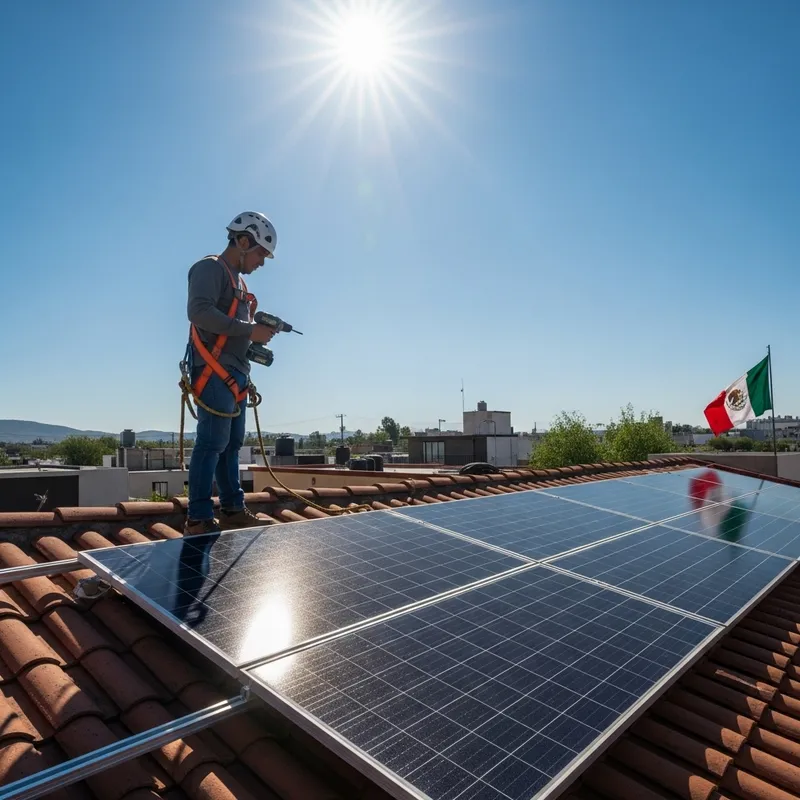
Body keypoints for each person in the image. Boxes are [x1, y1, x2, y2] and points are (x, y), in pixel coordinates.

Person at [183, 212, 278, 535]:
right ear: (242, 241)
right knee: (212, 442)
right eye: (260, 254)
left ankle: (233, 509)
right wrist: (250, 331)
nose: (262, 263)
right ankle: (198, 517)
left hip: (236, 374)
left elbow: (235, 333)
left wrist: (251, 342)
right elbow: (198, 312)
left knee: (232, 444)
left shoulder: (239, 282)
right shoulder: (210, 269)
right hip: (213, 372)